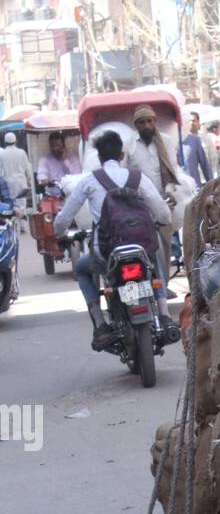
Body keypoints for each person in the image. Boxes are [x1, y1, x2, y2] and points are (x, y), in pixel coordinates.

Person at [53, 129, 180, 351]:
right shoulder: (138, 178)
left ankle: (101, 324)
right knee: (155, 260)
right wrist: (158, 221)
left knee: (83, 270)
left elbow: (64, 217)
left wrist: (60, 233)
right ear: (122, 155)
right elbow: (163, 213)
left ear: (99, 157)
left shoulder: (89, 181)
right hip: (141, 248)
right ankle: (164, 313)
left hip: (106, 252)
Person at [124, 104, 180, 296]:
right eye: (142, 122)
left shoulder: (165, 141)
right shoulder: (129, 144)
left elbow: (173, 168)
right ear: (136, 125)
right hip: (137, 205)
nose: (146, 125)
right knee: (141, 247)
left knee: (164, 245)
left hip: (162, 202)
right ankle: (142, 285)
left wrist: (170, 192)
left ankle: (163, 286)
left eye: (149, 121)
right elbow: (124, 173)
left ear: (154, 122)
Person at [0, 132, 32, 229]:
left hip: (7, 181)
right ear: (15, 141)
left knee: (11, 203)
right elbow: (27, 168)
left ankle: (13, 225)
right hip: (20, 181)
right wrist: (30, 180)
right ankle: (23, 226)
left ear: (5, 142)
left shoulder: (2, 154)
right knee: (22, 203)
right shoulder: (22, 152)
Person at [181, 111, 213, 189]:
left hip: (198, 186)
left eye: (194, 121)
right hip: (182, 189)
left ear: (198, 122)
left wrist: (212, 186)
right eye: (189, 121)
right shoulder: (174, 141)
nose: (191, 123)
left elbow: (206, 163)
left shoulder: (203, 140)